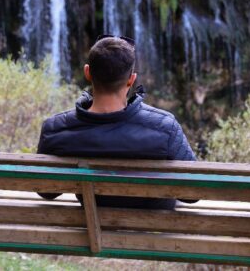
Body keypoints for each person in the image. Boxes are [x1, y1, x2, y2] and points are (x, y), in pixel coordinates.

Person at [37, 35, 196, 210]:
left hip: (91, 234)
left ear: (88, 72)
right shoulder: (165, 128)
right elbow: (193, 194)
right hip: (152, 235)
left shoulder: (56, 129)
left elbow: (46, 191)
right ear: (131, 79)